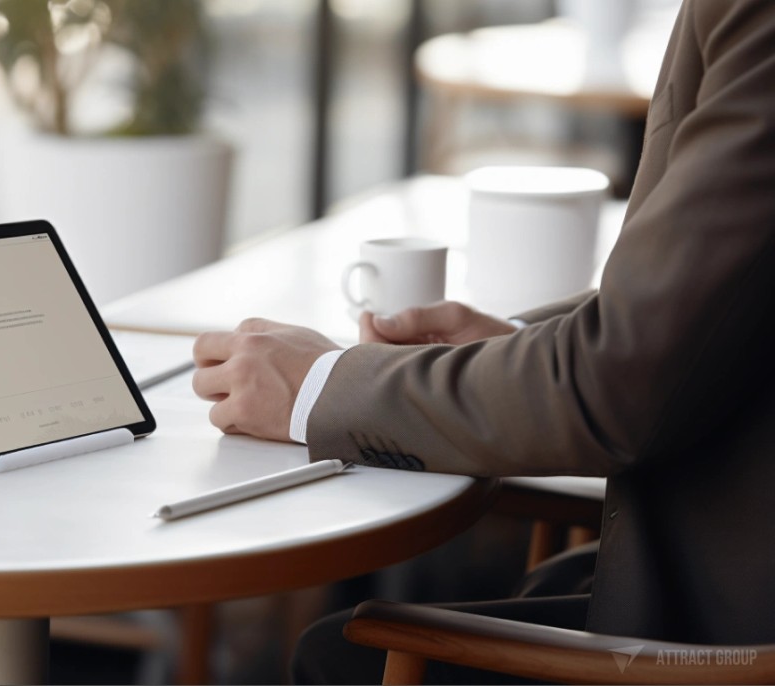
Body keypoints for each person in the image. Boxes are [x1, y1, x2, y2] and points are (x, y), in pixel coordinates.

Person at [192, 0, 775, 681]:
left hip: (723, 621)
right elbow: (717, 303)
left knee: (342, 657)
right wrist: (522, 345)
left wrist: (316, 389)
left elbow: (620, 387)